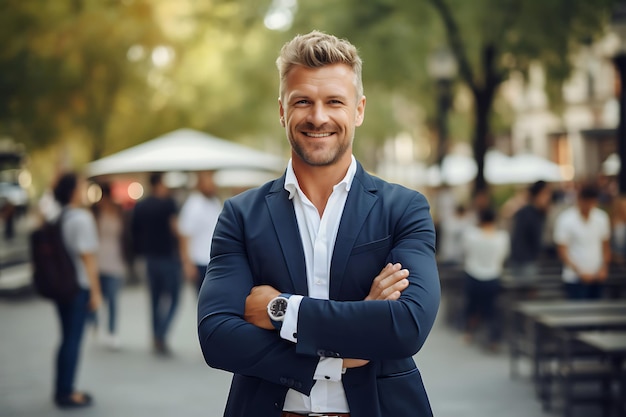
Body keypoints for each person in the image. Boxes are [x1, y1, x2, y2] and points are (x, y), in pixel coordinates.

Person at [197, 31, 440, 417]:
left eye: (334, 102)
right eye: (303, 101)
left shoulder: (404, 209)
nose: (318, 117)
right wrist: (342, 354)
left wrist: (282, 310)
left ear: (358, 110)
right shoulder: (241, 215)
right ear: (282, 110)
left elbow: (407, 325)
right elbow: (217, 337)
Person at [50, 172, 101, 408]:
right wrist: (96, 291)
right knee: (72, 340)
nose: (84, 191)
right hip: (78, 286)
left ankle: (62, 388)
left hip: (61, 285)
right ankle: (67, 392)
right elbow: (88, 258)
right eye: (81, 187)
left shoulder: (58, 216)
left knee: (65, 339)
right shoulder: (81, 218)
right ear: (73, 191)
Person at [131, 172, 187, 355]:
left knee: (154, 299)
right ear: (160, 184)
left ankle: (155, 335)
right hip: (168, 258)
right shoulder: (168, 204)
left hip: (149, 259)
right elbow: (175, 228)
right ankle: (161, 334)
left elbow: (134, 231)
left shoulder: (141, 205)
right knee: (175, 298)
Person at [461, 207, 509, 351]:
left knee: (472, 306)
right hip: (492, 276)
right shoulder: (502, 237)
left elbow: (465, 251)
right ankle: (493, 340)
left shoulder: (471, 235)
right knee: (492, 310)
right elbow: (503, 256)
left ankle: (469, 333)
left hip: (473, 274)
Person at [554, 184, 611, 300]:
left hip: (597, 276)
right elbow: (562, 251)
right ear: (580, 200)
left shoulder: (601, 218)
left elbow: (605, 246)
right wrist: (579, 272)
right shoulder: (566, 219)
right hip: (574, 277)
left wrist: (603, 268)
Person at [92, 182, 127, 349]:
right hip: (97, 259)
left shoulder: (119, 211)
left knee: (113, 298)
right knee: (98, 297)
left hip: (115, 259)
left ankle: (112, 331)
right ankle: (96, 326)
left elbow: (125, 236)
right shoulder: (94, 211)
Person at [178, 170, 222, 293]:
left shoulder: (215, 202)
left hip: (215, 259)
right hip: (200, 261)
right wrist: (187, 263)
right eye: (209, 183)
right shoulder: (193, 205)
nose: (212, 186)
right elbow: (185, 235)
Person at [509, 180, 552, 283]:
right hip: (525, 262)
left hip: (526, 261)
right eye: (545, 194)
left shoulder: (533, 213)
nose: (548, 198)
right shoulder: (529, 214)